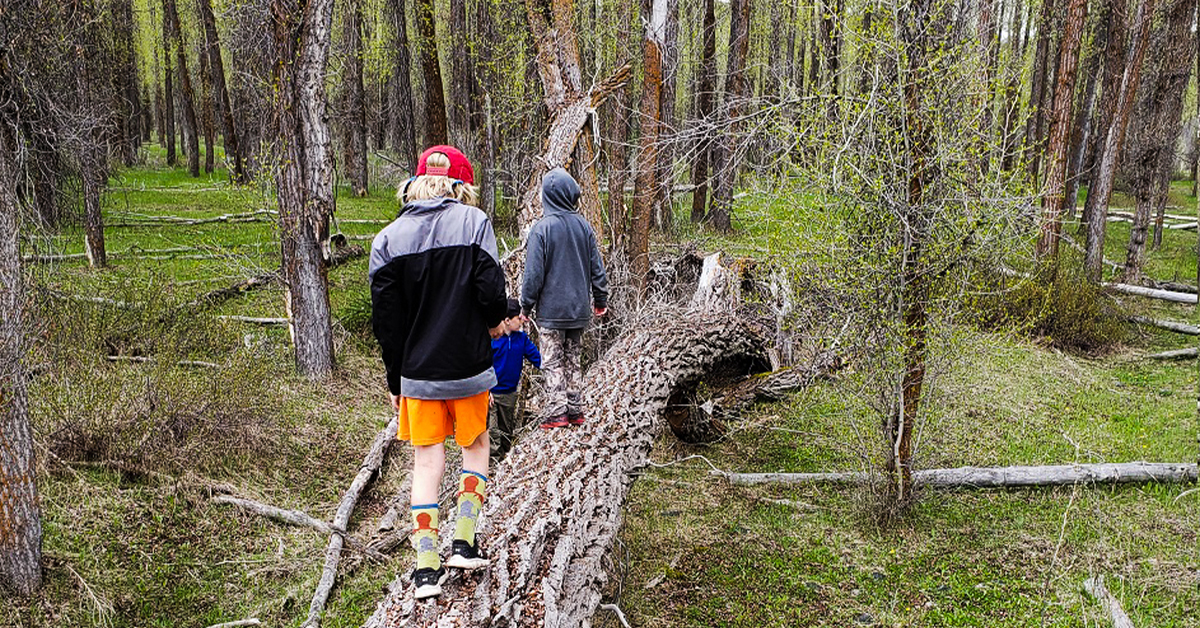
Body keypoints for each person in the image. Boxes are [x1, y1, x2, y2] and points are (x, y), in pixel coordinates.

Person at [369, 145, 506, 600]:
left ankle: (426, 567)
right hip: (468, 366)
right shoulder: (474, 223)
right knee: (477, 444)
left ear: (415, 182)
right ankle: (464, 541)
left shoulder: (387, 239)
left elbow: (386, 325)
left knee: (426, 461)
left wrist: (395, 380)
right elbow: (490, 293)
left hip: (418, 372)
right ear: (459, 185)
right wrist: (495, 322)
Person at [521, 167, 609, 429]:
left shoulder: (542, 229)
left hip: (551, 311)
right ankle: (575, 409)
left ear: (547, 196)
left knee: (552, 360)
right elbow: (597, 268)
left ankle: (557, 411)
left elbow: (533, 275)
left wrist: (526, 304)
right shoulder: (584, 227)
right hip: (578, 309)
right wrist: (600, 299)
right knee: (573, 357)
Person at [489, 299, 541, 459]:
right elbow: (482, 364)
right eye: (518, 317)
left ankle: (504, 463)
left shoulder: (521, 339)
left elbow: (537, 359)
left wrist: (555, 371)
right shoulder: (493, 338)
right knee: (492, 432)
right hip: (489, 393)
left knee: (505, 433)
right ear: (507, 320)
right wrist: (485, 389)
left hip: (509, 393)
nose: (522, 320)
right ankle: (491, 467)